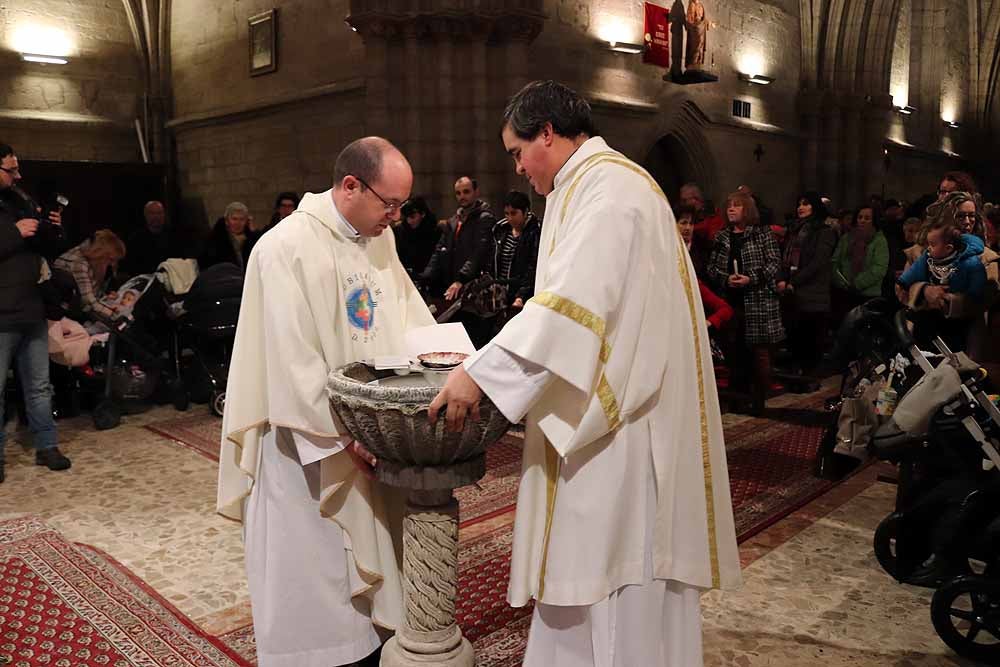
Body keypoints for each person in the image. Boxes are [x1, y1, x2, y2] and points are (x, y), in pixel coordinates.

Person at [427, 80, 741, 667]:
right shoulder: (593, 183)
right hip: (608, 403)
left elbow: (573, 306)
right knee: (590, 566)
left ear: (547, 133)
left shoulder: (610, 190)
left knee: (610, 571)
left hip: (621, 424)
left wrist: (479, 374)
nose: (518, 168)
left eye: (518, 152)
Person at [217, 137, 435, 667]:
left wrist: (448, 367)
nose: (396, 217)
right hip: (306, 444)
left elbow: (408, 316)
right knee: (315, 583)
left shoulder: (379, 238)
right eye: (390, 204)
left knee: (369, 588)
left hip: (369, 435)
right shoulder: (282, 248)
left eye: (402, 205)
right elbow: (289, 361)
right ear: (351, 185)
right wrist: (347, 435)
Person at [0, 142, 72, 482]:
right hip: (1, 313)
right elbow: (12, 241)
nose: (18, 175)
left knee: (40, 386)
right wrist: (14, 233)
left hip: (32, 306)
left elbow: (51, 249)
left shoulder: (21, 199)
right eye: (10, 170)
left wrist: (54, 228)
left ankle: (47, 446)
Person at [708, 190, 785, 414]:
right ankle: (737, 399)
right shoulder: (722, 237)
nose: (731, 209)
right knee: (734, 352)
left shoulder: (762, 234)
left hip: (757, 302)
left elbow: (774, 263)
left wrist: (751, 278)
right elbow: (711, 268)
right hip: (731, 301)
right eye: (729, 205)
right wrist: (726, 279)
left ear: (747, 209)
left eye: (737, 205)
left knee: (758, 354)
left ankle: (758, 401)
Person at [419, 176, 496, 347]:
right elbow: (440, 250)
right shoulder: (454, 220)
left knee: (473, 340)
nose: (462, 196)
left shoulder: (484, 218)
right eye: (458, 193)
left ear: (476, 192)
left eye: (466, 192)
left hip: (474, 290)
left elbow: (479, 252)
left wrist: (461, 279)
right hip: (454, 287)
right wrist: (426, 276)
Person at [776, 191, 837, 376]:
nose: (800, 207)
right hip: (793, 294)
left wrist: (794, 281)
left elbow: (818, 262)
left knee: (811, 341)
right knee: (795, 338)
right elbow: (785, 258)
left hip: (813, 294)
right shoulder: (794, 230)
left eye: (806, 203)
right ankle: (796, 374)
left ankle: (809, 377)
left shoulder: (825, 232)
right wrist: (781, 279)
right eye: (799, 204)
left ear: (815, 206)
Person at [831, 205, 889, 325]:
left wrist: (857, 283)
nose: (862, 220)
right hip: (844, 292)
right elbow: (835, 261)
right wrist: (841, 282)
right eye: (860, 217)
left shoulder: (879, 240)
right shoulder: (846, 238)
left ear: (873, 221)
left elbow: (879, 268)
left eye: (867, 218)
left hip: (868, 295)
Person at [54, 230, 127, 320]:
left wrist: (106, 298)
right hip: (66, 312)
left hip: (79, 307)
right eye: (111, 259)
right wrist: (114, 315)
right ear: (100, 252)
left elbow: (92, 293)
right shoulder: (79, 263)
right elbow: (88, 302)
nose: (112, 264)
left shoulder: (91, 258)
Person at [490, 189, 541, 310]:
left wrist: (521, 296)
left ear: (525, 211)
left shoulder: (535, 232)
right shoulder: (500, 229)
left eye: (513, 213)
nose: (510, 218)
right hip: (500, 294)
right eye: (506, 213)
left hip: (522, 295)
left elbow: (533, 268)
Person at [199, 202, 260, 272]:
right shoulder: (216, 240)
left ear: (246, 221)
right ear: (226, 221)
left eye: (242, 219)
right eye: (234, 219)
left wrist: (254, 233)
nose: (238, 223)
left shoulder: (251, 239)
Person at [121, 201, 178, 276]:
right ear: (145, 215)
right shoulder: (135, 239)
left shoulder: (174, 237)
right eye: (152, 213)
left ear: (164, 215)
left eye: (159, 213)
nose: (156, 216)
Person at [394, 196, 438, 279]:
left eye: (412, 217)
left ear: (423, 214)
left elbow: (436, 258)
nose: (409, 221)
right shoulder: (400, 231)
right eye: (407, 217)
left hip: (429, 278)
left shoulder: (434, 230)